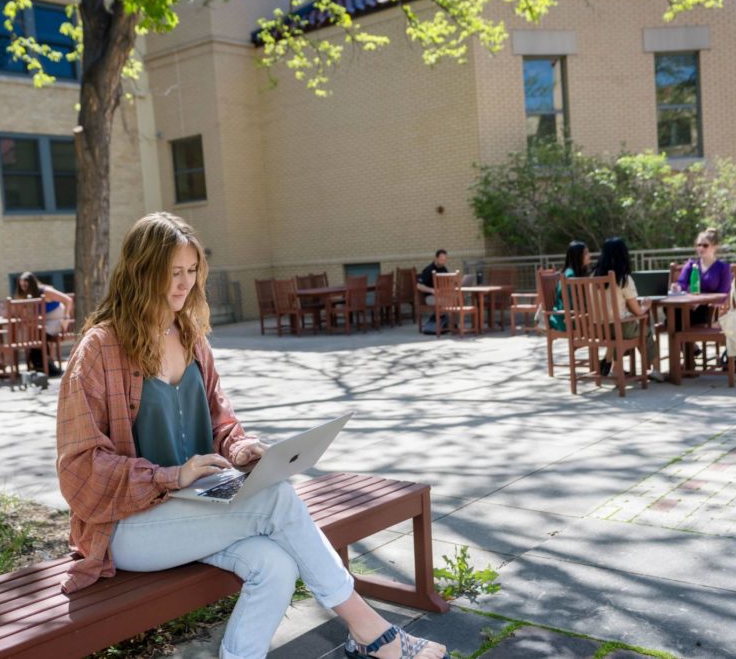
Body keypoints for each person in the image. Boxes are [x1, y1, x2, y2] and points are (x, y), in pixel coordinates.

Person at [55, 212, 448, 659]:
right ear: (141, 272)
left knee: (276, 566)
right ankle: (373, 633)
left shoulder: (191, 337)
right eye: (172, 274)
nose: (184, 285)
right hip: (129, 527)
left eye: (191, 272)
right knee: (276, 499)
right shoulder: (100, 349)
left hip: (196, 510)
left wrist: (246, 450)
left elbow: (223, 425)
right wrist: (171, 477)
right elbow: (78, 468)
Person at [593, 237, 665, 382]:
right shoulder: (623, 279)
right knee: (644, 328)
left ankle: (615, 368)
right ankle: (656, 369)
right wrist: (646, 306)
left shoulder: (591, 277)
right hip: (620, 328)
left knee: (622, 330)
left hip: (597, 329)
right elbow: (638, 312)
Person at [15, 272, 73, 376]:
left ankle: (49, 366)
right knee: (35, 338)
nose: (23, 288)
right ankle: (42, 367)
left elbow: (68, 300)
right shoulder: (27, 296)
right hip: (44, 321)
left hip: (57, 319)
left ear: (32, 284)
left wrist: (66, 317)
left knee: (41, 337)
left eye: (25, 285)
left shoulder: (45, 291)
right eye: (21, 285)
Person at [673, 227, 731, 326]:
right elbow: (681, 283)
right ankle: (686, 340)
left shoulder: (723, 268)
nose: (701, 248)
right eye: (698, 245)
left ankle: (683, 340)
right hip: (688, 306)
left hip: (709, 309)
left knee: (674, 319)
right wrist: (676, 287)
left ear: (715, 247)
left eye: (705, 245)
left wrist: (702, 302)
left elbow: (724, 294)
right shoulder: (691, 264)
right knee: (671, 310)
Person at [549, 241, 590, 332]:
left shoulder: (574, 273)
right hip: (566, 320)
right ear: (578, 256)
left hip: (571, 316)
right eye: (586, 253)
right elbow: (571, 304)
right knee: (600, 324)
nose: (589, 256)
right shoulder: (570, 275)